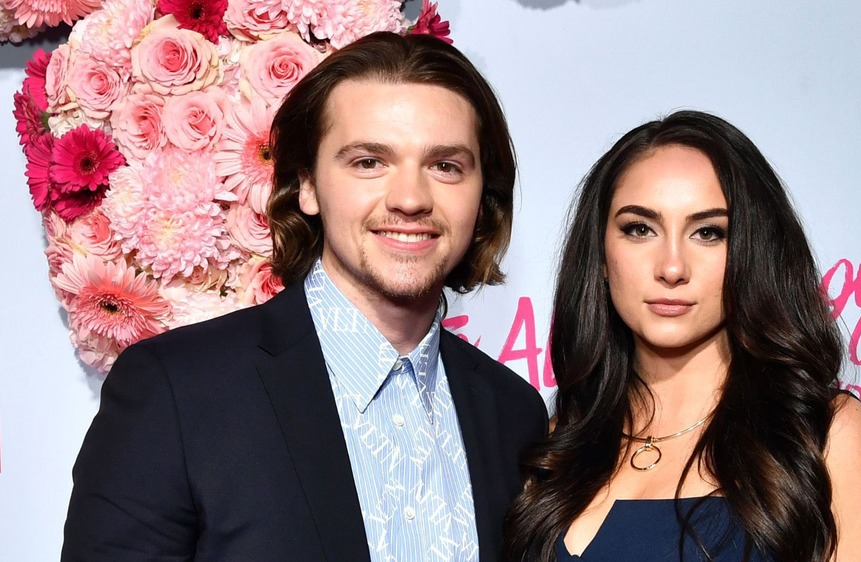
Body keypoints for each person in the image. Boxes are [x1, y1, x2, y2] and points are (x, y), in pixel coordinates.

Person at [62, 32, 547, 562]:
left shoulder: (513, 413)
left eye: (445, 166)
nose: (410, 199)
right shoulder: (176, 392)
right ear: (308, 186)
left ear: (482, 196)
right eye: (368, 162)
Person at [504, 111, 861, 561]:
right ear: (600, 250)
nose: (672, 268)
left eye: (708, 233)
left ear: (752, 252)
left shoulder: (821, 434)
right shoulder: (560, 442)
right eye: (640, 229)